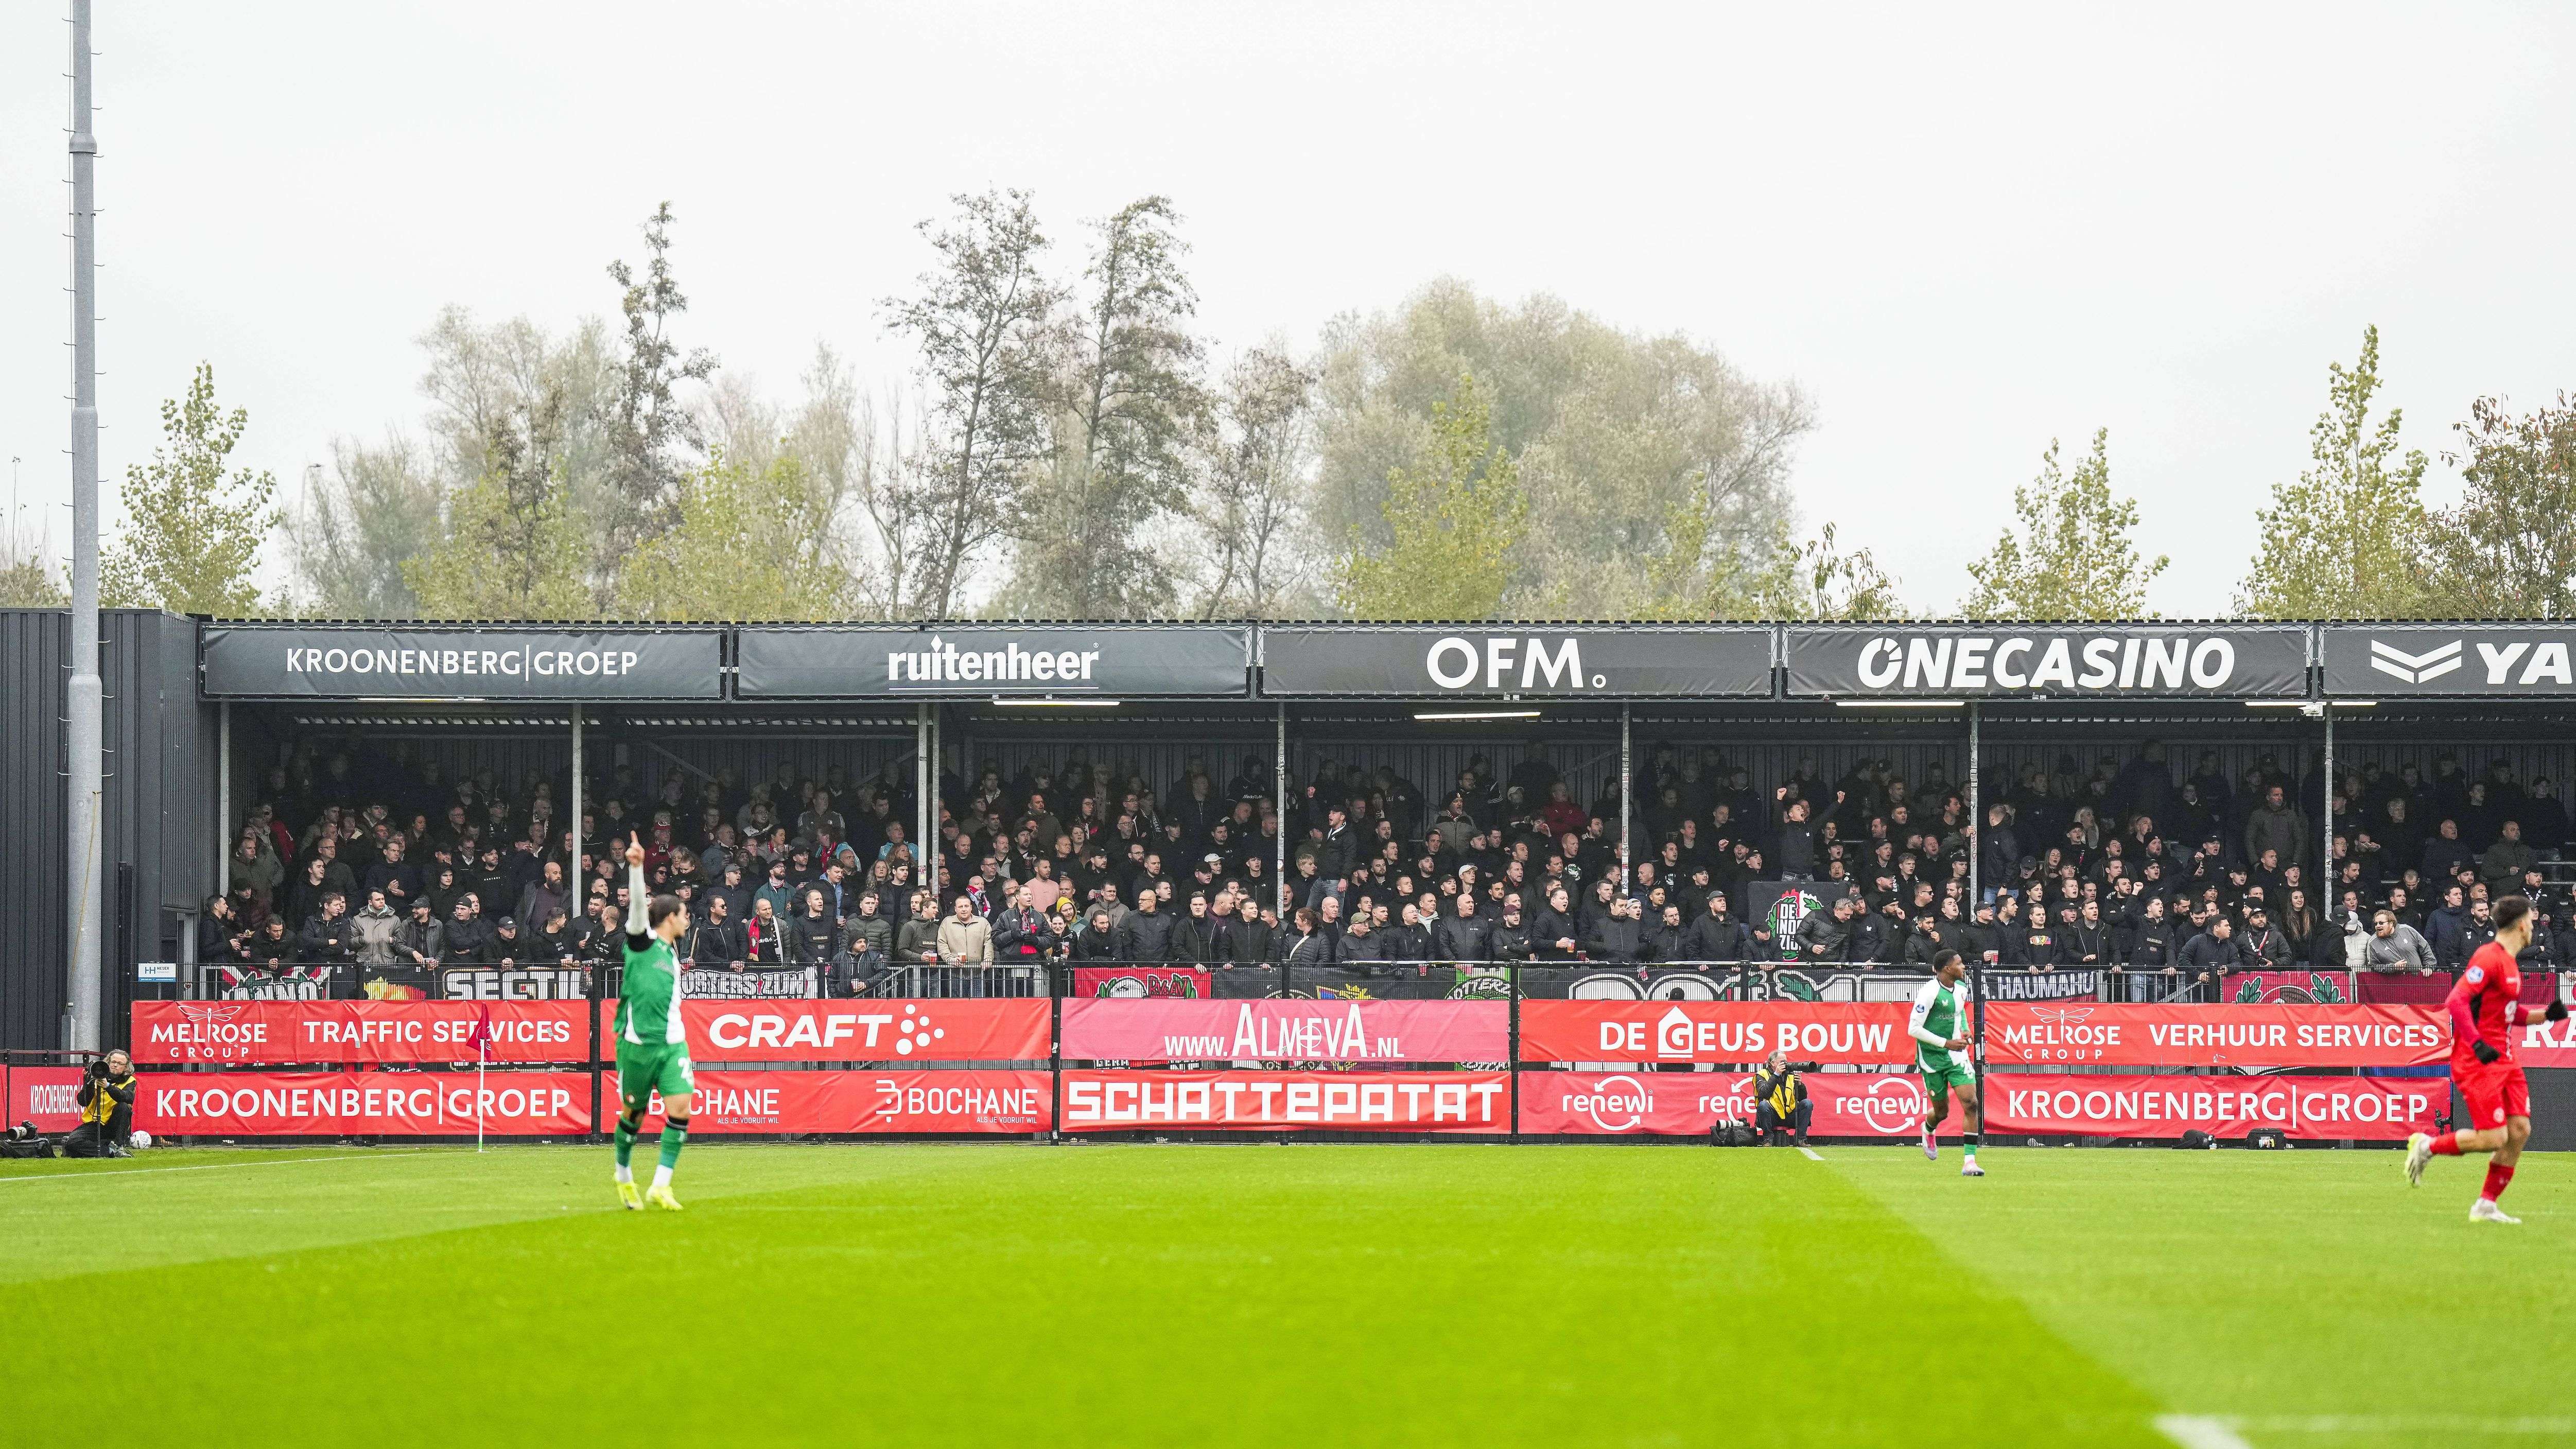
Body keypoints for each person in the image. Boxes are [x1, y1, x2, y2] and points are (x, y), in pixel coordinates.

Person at [2405, 896, 2567, 1223]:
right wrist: (2477, 1044)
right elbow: (2457, 1000)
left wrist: (2544, 1015)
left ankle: (2486, 1205)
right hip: (2478, 1060)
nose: (2534, 927)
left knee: (2519, 1129)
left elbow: (2510, 1013)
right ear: (2522, 924)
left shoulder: (2510, 962)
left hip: (2506, 1060)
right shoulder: (2489, 957)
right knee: (2494, 1137)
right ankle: (2427, 1147)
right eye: (2532, 922)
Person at [611, 833, 693, 1212]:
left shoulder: (672, 955)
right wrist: (636, 868)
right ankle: (624, 1175)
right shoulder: (642, 942)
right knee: (635, 1114)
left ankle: (661, 1185)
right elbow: (639, 915)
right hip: (638, 1045)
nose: (688, 919)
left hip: (672, 1042)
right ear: (670, 917)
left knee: (681, 1109)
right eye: (684, 914)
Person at [1909, 950, 1982, 1176]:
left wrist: (1965, 1029)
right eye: (1960, 964)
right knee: (1942, 1112)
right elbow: (1913, 1029)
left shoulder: (1961, 989)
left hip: (1957, 1057)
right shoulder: (1929, 993)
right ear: (1947, 969)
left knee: (1971, 1103)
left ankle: (1969, 1162)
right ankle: (1928, 1129)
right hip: (1932, 1058)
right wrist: (1946, 1043)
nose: (1964, 967)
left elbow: (1959, 1014)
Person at [62, 1049, 137, 1158]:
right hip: (94, 1123)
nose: (115, 1065)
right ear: (108, 1062)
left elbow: (127, 1097)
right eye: (113, 1062)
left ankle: (119, 1146)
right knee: (72, 1142)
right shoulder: (97, 1074)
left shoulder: (130, 1081)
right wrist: (88, 1083)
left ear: (126, 1067)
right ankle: (110, 1151)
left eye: (120, 1063)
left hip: (114, 1126)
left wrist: (108, 1086)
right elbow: (83, 1102)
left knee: (124, 1106)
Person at [1751, 1050, 1814, 1147]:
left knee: (1808, 1103)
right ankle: (1768, 1139)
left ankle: (1800, 1139)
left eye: (1786, 1062)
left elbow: (1803, 1098)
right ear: (1773, 1063)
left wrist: (1801, 1086)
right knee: (1763, 1105)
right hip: (1772, 1116)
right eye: (1782, 1062)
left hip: (1789, 1115)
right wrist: (1776, 1075)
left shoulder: (1790, 1075)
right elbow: (1764, 1094)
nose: (1785, 1064)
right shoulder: (1761, 1075)